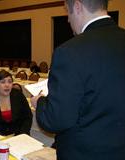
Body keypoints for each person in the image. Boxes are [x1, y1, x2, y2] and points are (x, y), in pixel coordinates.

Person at [31, 0, 125, 160]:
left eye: (67, 12)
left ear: (77, 6)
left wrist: (39, 102)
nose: (68, 19)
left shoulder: (69, 52)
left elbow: (56, 119)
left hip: (85, 153)